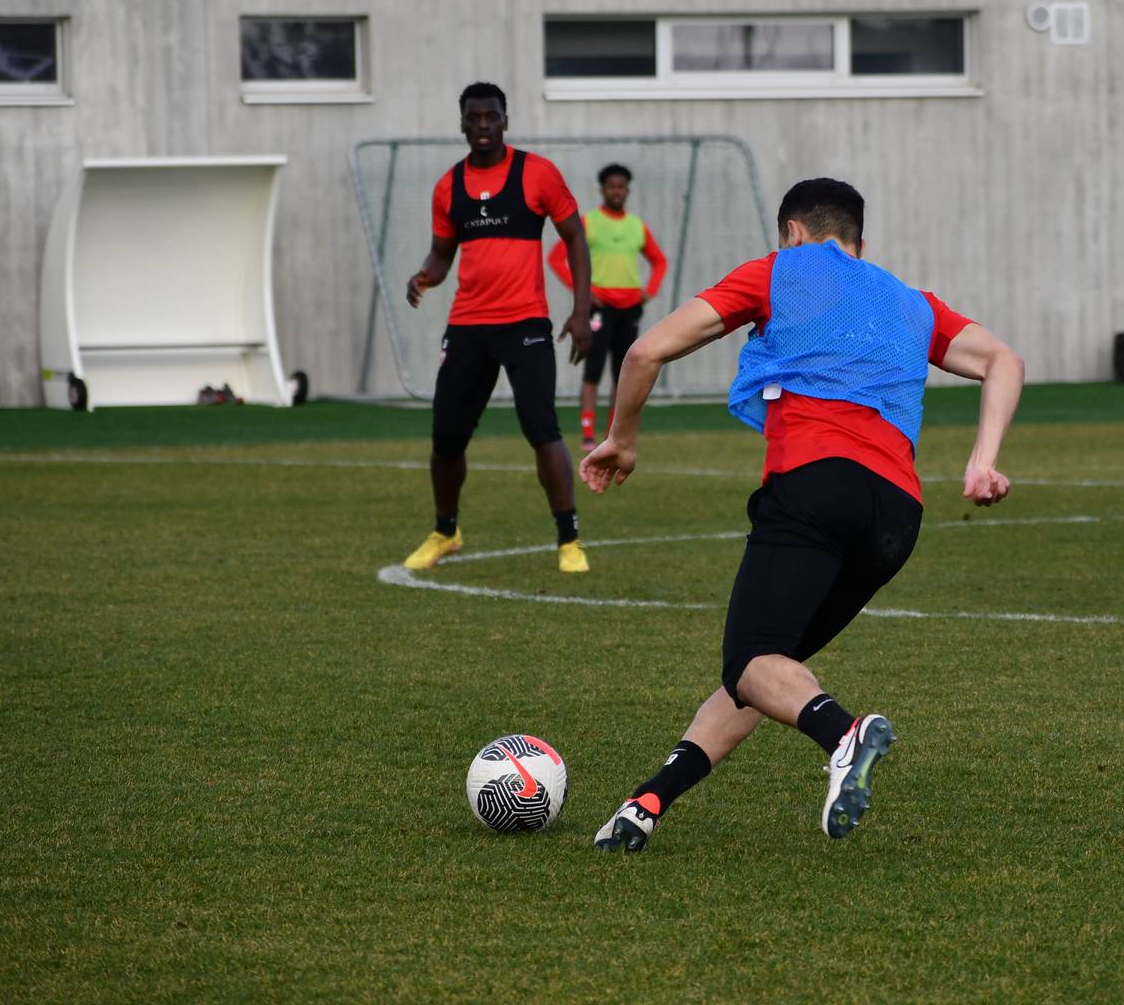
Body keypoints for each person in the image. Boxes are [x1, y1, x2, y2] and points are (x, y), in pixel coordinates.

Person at [579, 178, 1024, 851]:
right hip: (896, 515)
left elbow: (646, 351)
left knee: (749, 661)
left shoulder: (777, 271)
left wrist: (623, 439)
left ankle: (843, 734)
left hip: (817, 484)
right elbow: (1003, 360)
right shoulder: (910, 301)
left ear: (791, 232)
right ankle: (646, 805)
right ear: (859, 242)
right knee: (768, 670)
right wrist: (982, 461)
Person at [402, 81, 595, 574]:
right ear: (462, 123)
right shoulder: (448, 186)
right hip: (467, 326)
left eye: (491, 116)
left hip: (524, 323)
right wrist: (425, 275)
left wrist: (580, 311)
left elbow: (574, 237)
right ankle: (445, 531)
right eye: (474, 118)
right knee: (446, 437)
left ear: (505, 121)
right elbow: (442, 253)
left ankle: (569, 540)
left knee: (541, 428)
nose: (483, 125)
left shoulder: (537, 173)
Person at [548, 163, 669, 451]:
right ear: (602, 189)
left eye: (621, 187)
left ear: (627, 190)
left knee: (623, 373)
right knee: (593, 370)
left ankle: (612, 435)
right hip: (600, 308)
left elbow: (659, 261)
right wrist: (585, 292)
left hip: (629, 308)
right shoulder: (589, 222)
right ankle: (587, 434)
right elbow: (555, 258)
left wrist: (649, 291)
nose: (617, 192)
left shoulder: (636, 225)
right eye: (612, 187)